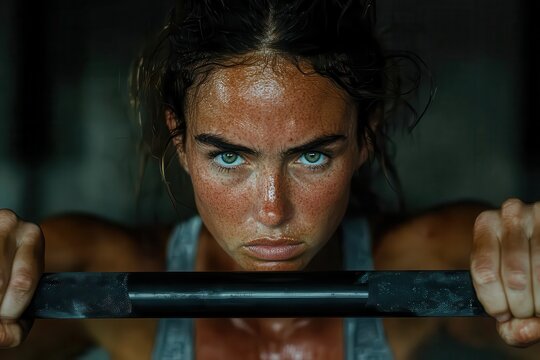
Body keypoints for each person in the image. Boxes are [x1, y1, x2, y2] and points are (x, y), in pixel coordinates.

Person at [1, 0, 539, 359]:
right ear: (180, 140)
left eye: (312, 159)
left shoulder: (433, 260)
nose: (273, 210)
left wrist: (523, 273)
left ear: (365, 140)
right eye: (229, 159)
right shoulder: (90, 268)